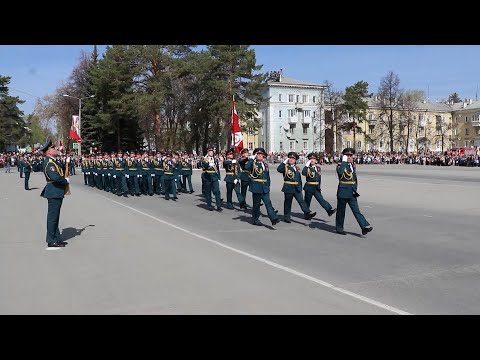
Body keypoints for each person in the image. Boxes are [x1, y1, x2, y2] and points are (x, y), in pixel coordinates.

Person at [335, 148, 373, 236]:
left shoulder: (352, 166)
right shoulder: (340, 165)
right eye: (347, 156)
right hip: (343, 192)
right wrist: (344, 161)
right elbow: (340, 173)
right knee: (341, 212)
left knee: (357, 211)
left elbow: (354, 179)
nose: (349, 157)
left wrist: (355, 189)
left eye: (351, 156)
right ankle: (339, 228)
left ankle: (364, 227)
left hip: (352, 192)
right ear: (344, 156)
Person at [39, 139, 69, 249]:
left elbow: (60, 170)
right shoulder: (49, 163)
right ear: (48, 152)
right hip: (54, 191)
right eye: (53, 148)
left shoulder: (53, 161)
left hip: (56, 191)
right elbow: (55, 177)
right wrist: (65, 181)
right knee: (53, 217)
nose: (55, 149)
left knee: (55, 217)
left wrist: (67, 161)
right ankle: (52, 240)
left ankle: (56, 238)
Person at [277, 151, 316, 223]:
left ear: (295, 160)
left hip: (296, 188)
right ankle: (287, 217)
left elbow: (299, 179)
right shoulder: (285, 167)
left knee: (301, 201)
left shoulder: (296, 168)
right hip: (288, 187)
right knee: (288, 203)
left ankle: (307, 213)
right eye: (290, 158)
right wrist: (284, 162)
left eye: (293, 159)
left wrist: (300, 187)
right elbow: (279, 169)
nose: (291, 160)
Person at [244, 148, 280, 226]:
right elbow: (246, 167)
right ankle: (255, 219)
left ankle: (273, 218)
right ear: (255, 156)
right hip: (256, 186)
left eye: (261, 155)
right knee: (256, 205)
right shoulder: (253, 164)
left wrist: (268, 185)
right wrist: (251, 159)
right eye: (258, 155)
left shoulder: (265, 164)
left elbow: (267, 176)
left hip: (264, 187)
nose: (260, 156)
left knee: (268, 203)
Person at [302, 152, 336, 217]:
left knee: (321, 199)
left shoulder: (318, 168)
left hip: (316, 187)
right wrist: (306, 166)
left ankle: (329, 210)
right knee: (307, 201)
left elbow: (319, 178)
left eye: (314, 159)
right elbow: (303, 173)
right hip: (309, 187)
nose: (312, 160)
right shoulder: (307, 168)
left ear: (316, 160)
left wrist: (319, 187)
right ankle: (306, 214)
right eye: (310, 159)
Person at [201, 147, 222, 211]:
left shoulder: (215, 159)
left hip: (214, 177)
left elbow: (217, 169)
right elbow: (203, 166)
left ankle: (218, 206)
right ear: (207, 152)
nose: (211, 153)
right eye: (210, 152)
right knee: (208, 192)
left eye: (212, 152)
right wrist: (208, 164)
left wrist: (218, 177)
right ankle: (209, 205)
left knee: (217, 191)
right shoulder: (204, 159)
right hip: (207, 177)